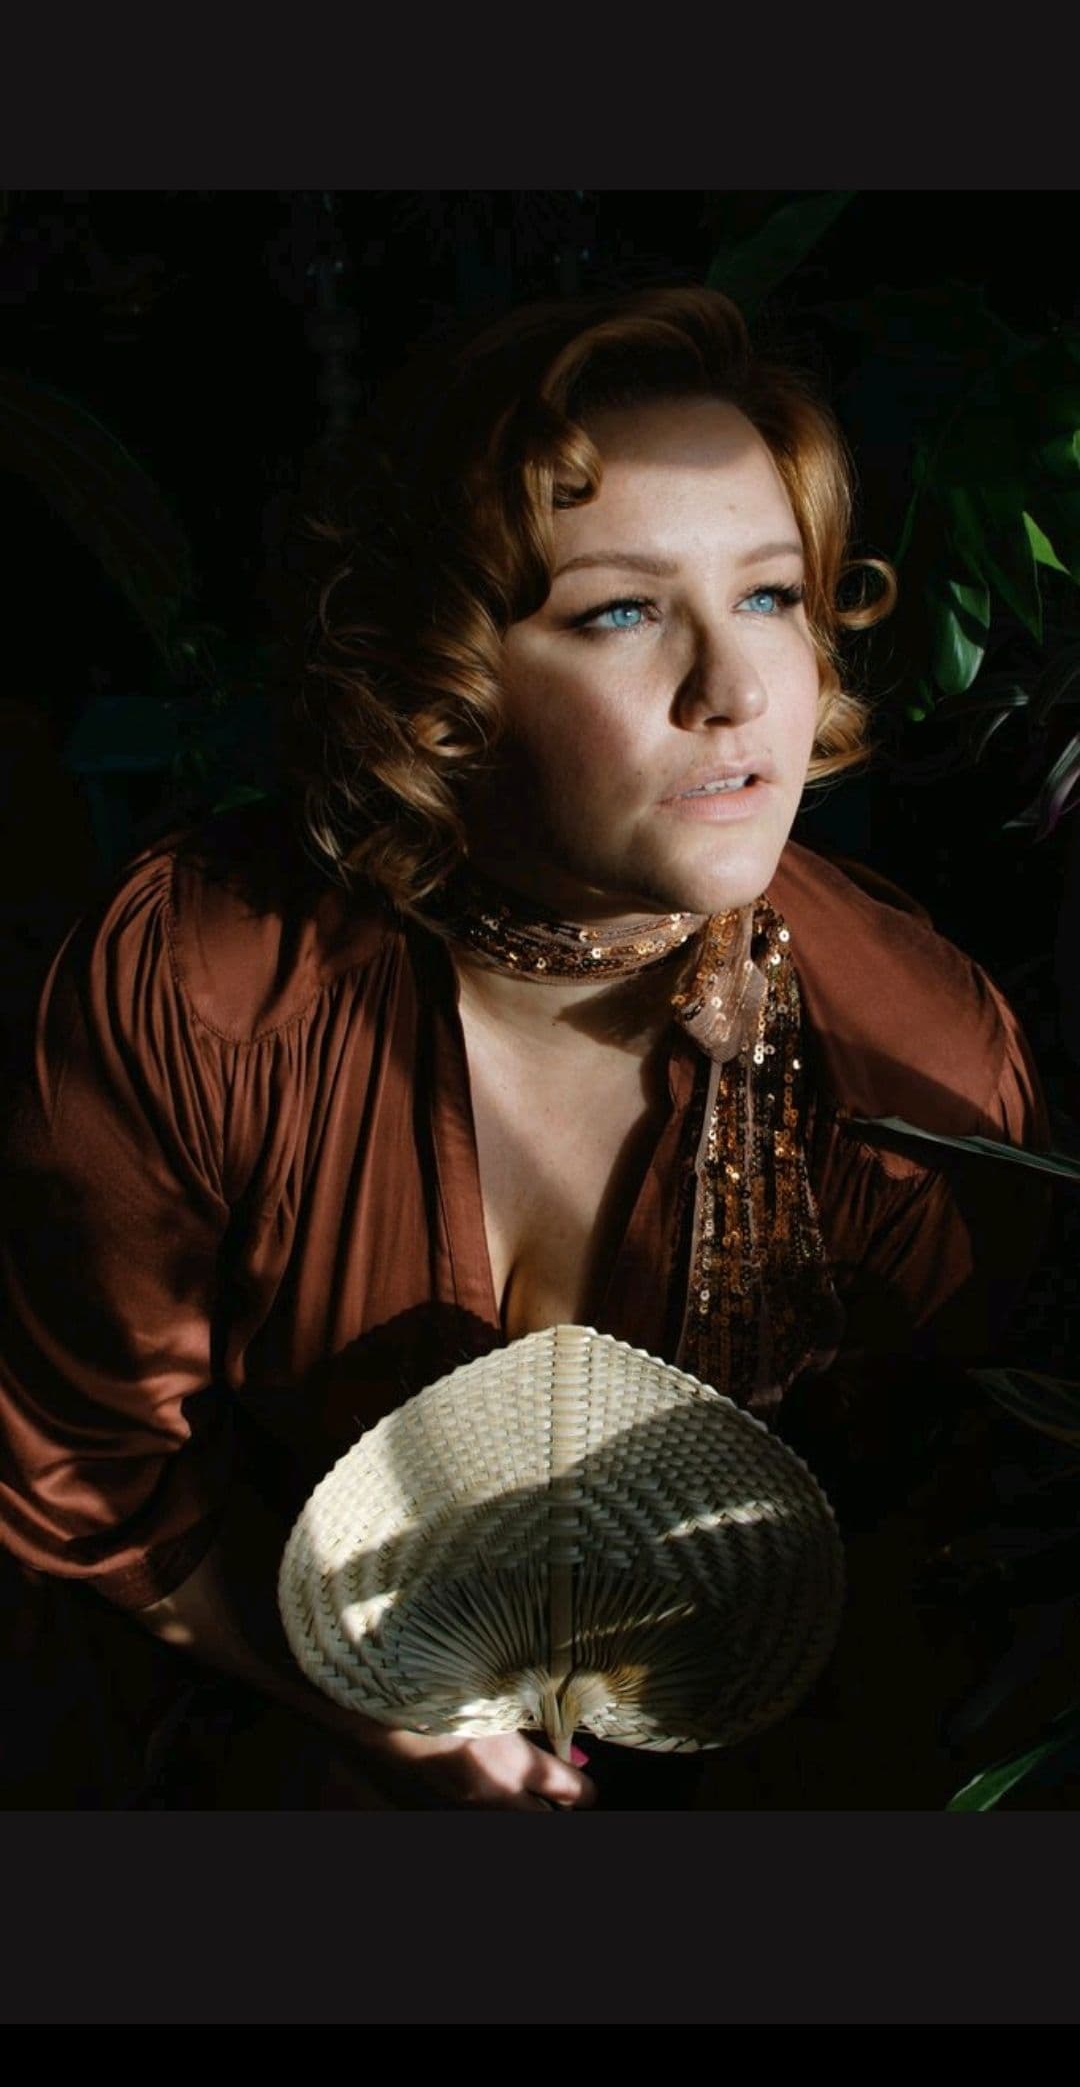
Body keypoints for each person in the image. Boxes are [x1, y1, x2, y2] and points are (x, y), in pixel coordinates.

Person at [0, 285, 1052, 1811]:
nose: (737, 690)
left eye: (772, 596)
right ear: (447, 677)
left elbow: (941, 1570)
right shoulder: (207, 988)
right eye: (621, 611)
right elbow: (84, 1473)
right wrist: (388, 1724)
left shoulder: (911, 1069)